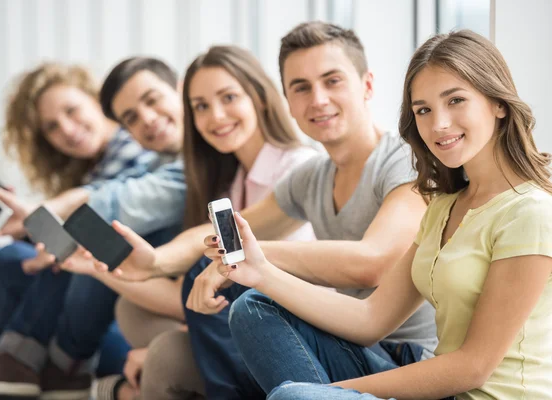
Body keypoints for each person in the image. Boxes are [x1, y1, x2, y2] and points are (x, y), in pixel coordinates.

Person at [90, 22, 437, 399]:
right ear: (287, 100)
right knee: (241, 307)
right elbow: (220, 230)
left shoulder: (406, 161)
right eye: (301, 88)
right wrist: (155, 261)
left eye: (332, 81)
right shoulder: (311, 177)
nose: (317, 99)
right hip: (355, 347)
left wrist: (248, 256)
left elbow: (374, 262)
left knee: (253, 304)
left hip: (408, 361)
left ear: (367, 85)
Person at [218, 29, 552, 400]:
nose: (438, 123)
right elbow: (370, 319)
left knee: (295, 397)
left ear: (498, 103)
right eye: (423, 110)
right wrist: (262, 273)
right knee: (256, 311)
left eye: (455, 100)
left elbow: (472, 367)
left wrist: (324, 392)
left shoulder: (530, 212)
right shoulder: (443, 207)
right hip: (440, 393)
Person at [90, 45, 316, 400]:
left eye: (228, 97)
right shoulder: (229, 179)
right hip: (239, 322)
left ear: (258, 95)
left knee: (164, 353)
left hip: (293, 330)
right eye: (201, 107)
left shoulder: (298, 170)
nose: (216, 116)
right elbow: (203, 249)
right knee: (133, 312)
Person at [0, 58, 186, 399]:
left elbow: (116, 203)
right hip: (91, 292)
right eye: (52, 127)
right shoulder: (104, 166)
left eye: (72, 111)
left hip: (110, 317)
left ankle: (1, 356)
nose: (67, 129)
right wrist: (39, 229)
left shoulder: (144, 154)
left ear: (99, 104)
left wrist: (46, 221)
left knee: (13, 261)